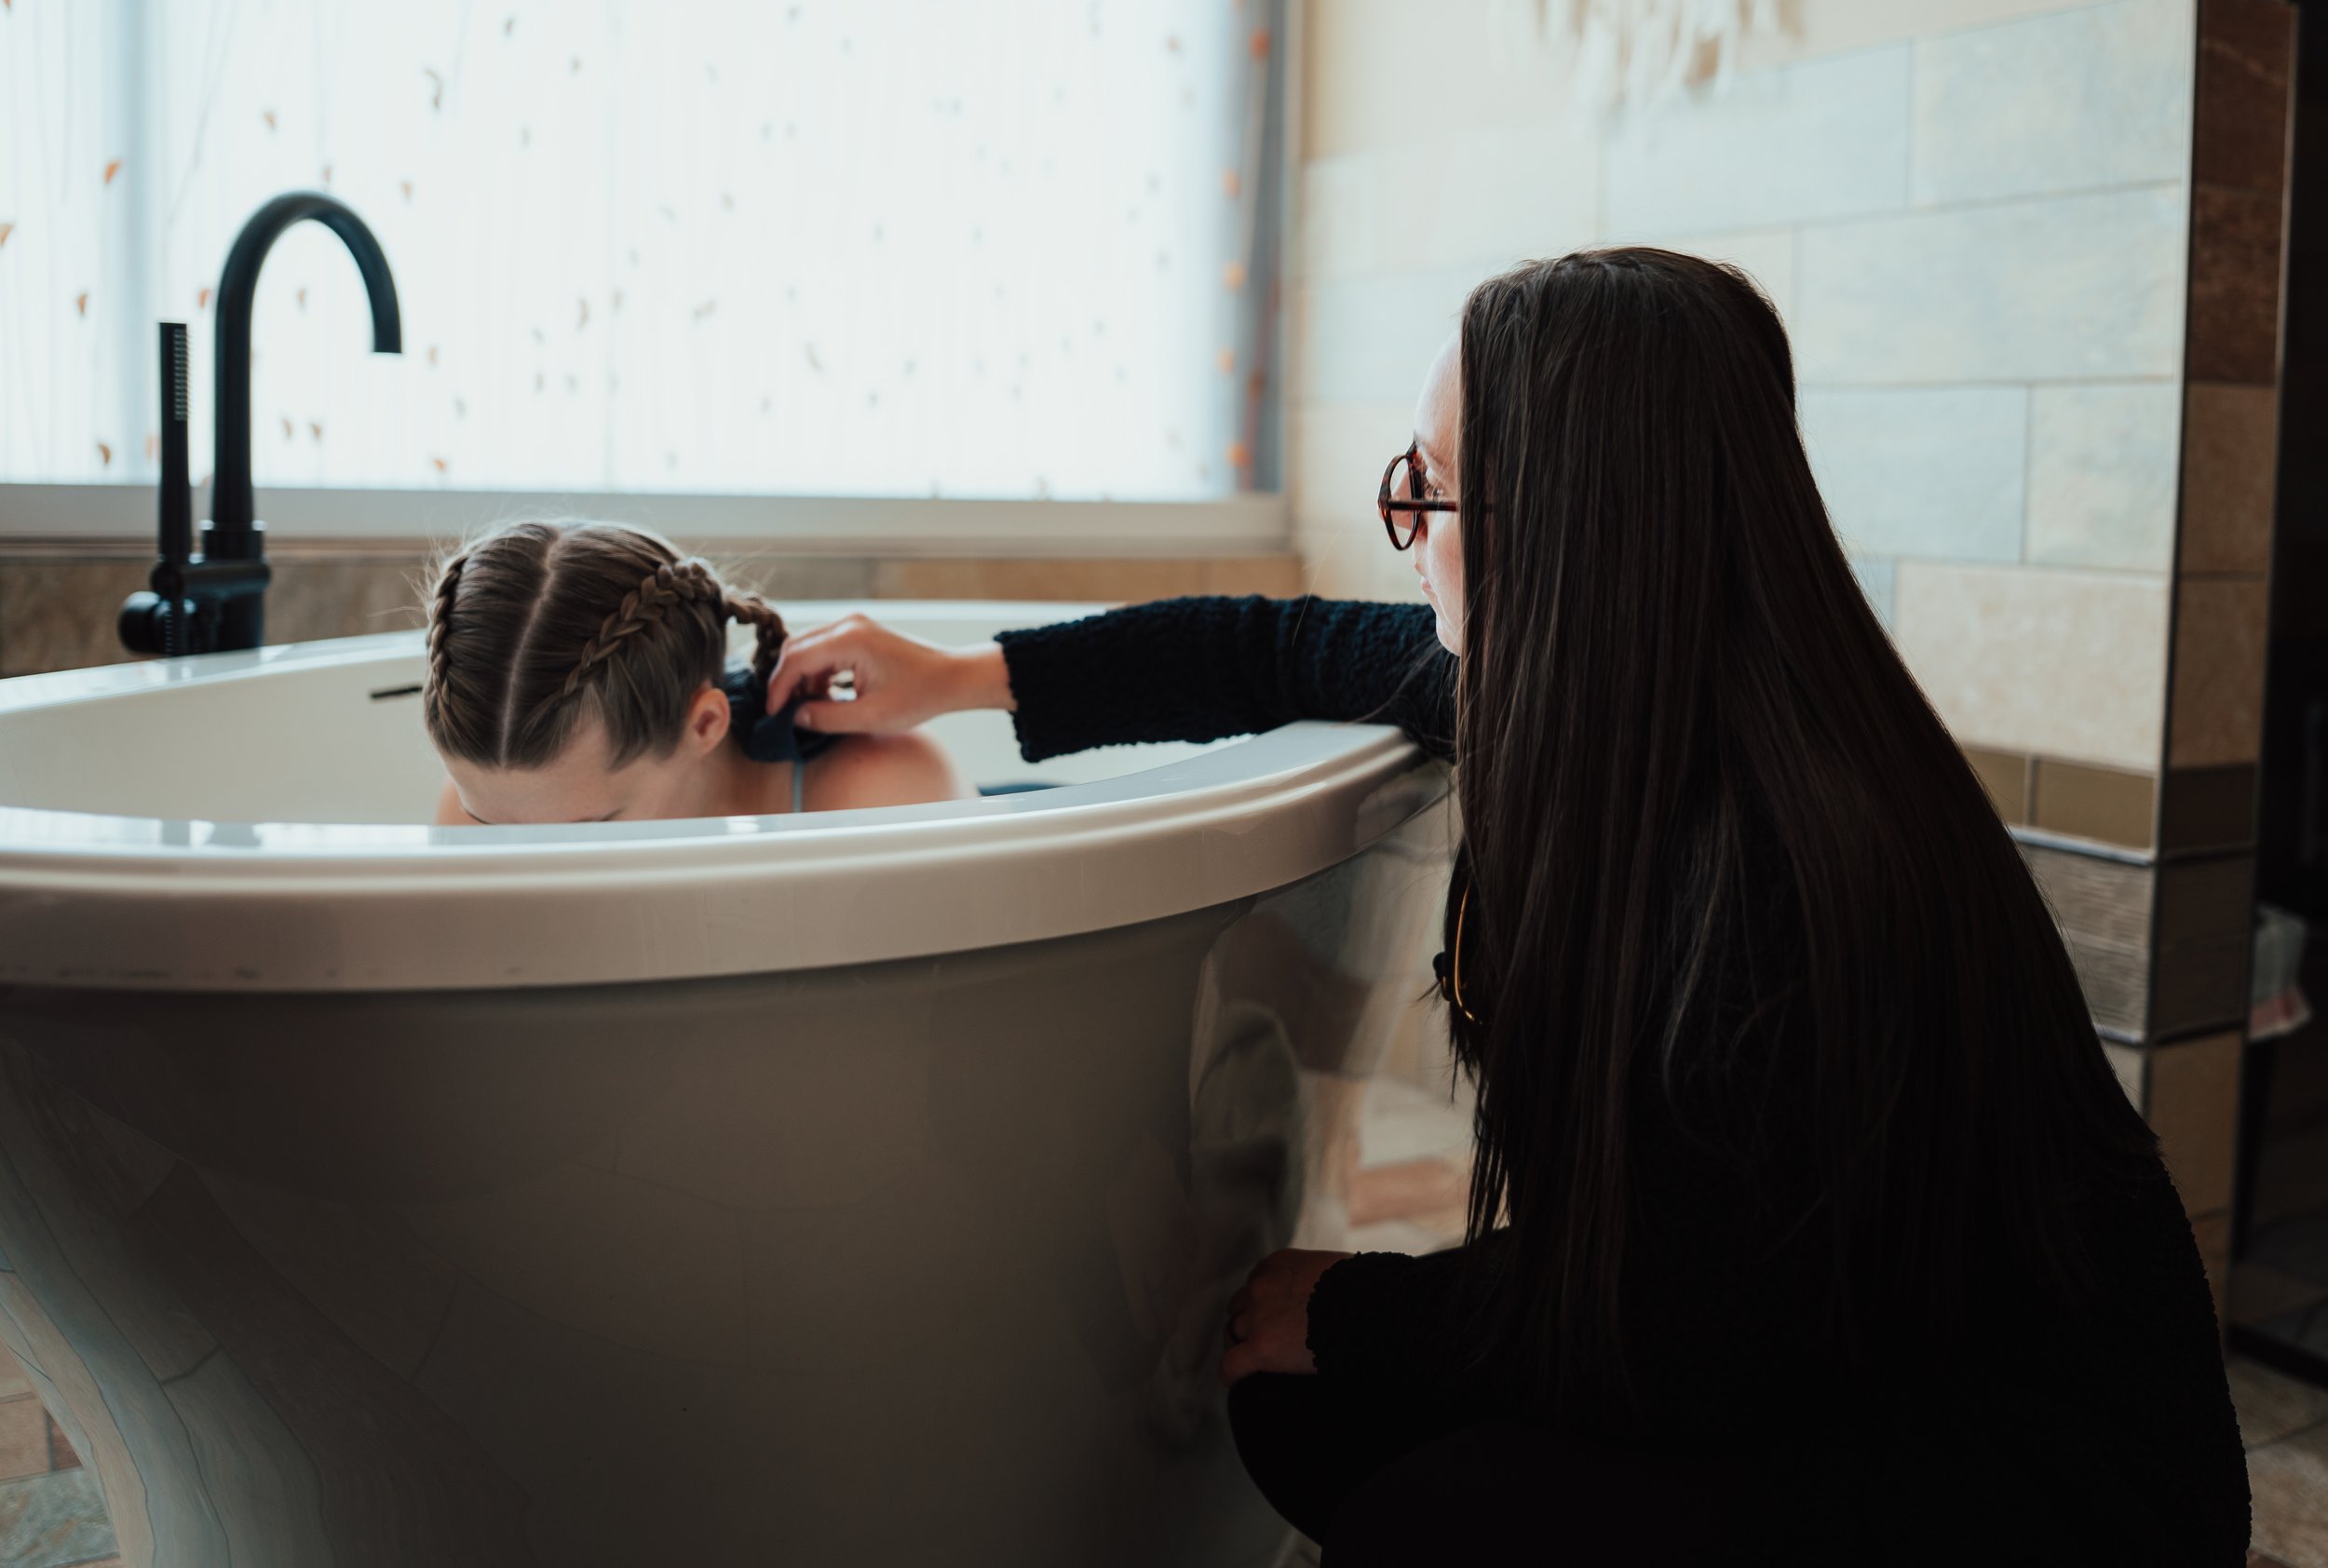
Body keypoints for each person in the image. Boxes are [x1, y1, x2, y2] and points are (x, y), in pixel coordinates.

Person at [762, 250, 2249, 1564]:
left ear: (1571, 514)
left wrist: (1361, 1307)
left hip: (2026, 1487)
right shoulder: (1595, 684)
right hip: (1794, 1366)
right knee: (1301, 1419)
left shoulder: (1784, 864)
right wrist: (960, 675)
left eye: (1429, 486)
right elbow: (1266, 650)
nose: (1407, 531)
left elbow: (1694, 1341)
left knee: (1414, 1510)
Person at [422, 520, 961, 826]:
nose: (529, 879)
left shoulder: (878, 795)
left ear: (704, 726)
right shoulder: (485, 795)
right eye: (490, 828)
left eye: (590, 831)